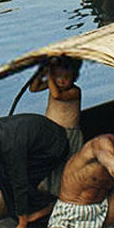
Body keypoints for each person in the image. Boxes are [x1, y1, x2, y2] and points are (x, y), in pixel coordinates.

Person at [29, 57, 84, 194]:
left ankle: (66, 192)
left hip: (68, 134)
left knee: (68, 164)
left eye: (66, 77)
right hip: (51, 133)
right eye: (58, 77)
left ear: (74, 77)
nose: (61, 81)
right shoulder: (52, 85)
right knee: (50, 163)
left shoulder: (74, 91)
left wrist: (49, 76)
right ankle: (49, 191)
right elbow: (33, 88)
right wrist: (41, 74)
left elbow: (57, 95)